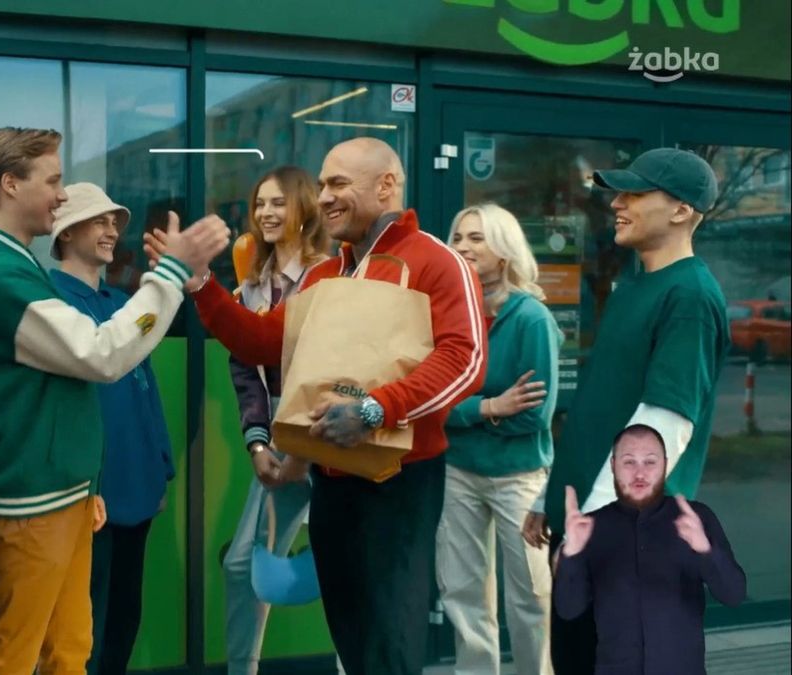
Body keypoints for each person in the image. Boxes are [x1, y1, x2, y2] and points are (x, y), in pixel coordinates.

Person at [145, 136, 486, 674]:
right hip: (332, 480)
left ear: (387, 186)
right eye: (323, 184)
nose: (323, 196)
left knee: (390, 643)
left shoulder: (437, 260)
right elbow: (262, 344)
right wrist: (202, 284)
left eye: (338, 183)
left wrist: (375, 410)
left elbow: (464, 360)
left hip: (400, 482)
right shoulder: (324, 274)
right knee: (352, 636)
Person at [0, 127, 228, 675]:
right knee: (15, 656)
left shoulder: (15, 265)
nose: (61, 196)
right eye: (53, 181)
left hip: (63, 496)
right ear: (10, 184)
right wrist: (171, 273)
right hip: (34, 503)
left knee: (70, 649)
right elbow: (101, 354)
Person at [530, 148, 731, 674]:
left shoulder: (690, 295)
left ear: (682, 209)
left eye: (635, 193)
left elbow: (664, 424)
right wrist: (550, 498)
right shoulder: (635, 288)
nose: (617, 203)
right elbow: (604, 407)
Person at [46, 183, 175, 675]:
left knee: (124, 615)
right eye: (99, 220)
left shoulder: (122, 300)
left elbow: (146, 387)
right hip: (87, 494)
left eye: (114, 222)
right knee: (82, 629)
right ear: (66, 231)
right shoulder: (49, 300)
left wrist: (161, 464)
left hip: (138, 484)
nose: (112, 231)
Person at [221, 166, 337, 675]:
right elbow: (245, 371)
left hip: (334, 439)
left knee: (348, 568)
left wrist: (303, 451)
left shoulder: (331, 276)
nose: (265, 213)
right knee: (242, 566)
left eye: (277, 203)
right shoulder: (252, 285)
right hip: (278, 442)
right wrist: (257, 443)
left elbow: (337, 368)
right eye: (259, 203)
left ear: (304, 209)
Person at [437, 203, 560, 675]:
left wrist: (462, 413)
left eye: (477, 238)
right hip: (458, 471)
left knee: (530, 595)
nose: (463, 246)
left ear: (505, 250)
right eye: (458, 237)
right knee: (462, 592)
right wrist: (487, 408)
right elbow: (432, 403)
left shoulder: (532, 319)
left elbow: (534, 417)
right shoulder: (447, 314)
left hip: (519, 476)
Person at [554, 424, 745, 674]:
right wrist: (571, 555)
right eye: (629, 462)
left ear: (665, 465)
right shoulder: (590, 527)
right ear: (613, 465)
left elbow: (734, 595)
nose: (640, 473)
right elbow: (568, 610)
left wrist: (705, 551)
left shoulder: (696, 518)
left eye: (650, 462)